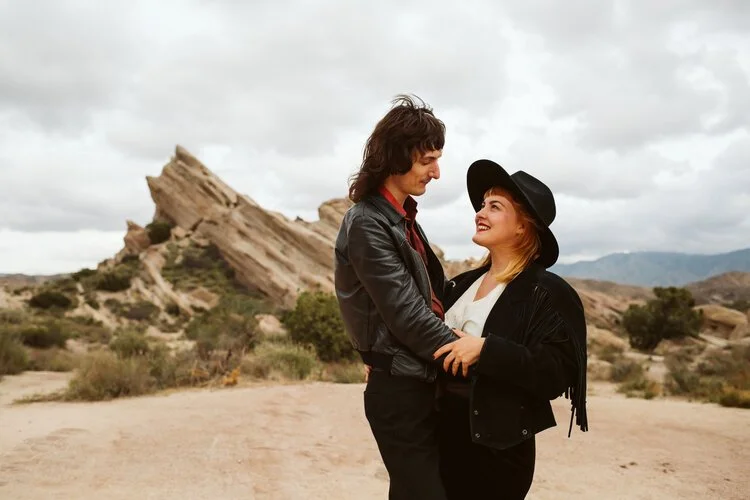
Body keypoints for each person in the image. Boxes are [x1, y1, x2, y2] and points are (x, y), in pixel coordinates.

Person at [432, 159, 589, 499]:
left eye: (495, 206)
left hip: (494, 456)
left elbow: (555, 373)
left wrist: (486, 350)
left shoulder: (546, 293)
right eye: (482, 205)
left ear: (522, 226)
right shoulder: (460, 285)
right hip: (436, 441)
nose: (480, 213)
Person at [334, 94, 464, 500]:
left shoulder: (402, 219)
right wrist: (476, 357)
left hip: (418, 380)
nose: (437, 173)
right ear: (396, 156)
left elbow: (435, 296)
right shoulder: (367, 223)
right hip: (399, 389)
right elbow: (408, 316)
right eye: (428, 161)